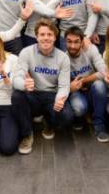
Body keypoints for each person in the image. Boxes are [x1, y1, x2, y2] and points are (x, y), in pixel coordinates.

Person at [12, 19, 73, 154]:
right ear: (36, 36)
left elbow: (64, 86)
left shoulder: (63, 57)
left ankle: (49, 122)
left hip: (52, 95)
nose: (46, 38)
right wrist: (24, 84)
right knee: (17, 95)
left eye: (49, 34)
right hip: (33, 93)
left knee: (67, 116)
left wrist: (60, 98)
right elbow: (16, 79)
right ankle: (27, 134)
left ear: (55, 37)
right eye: (42, 34)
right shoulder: (26, 52)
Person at [64, 26, 109, 142]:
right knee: (79, 108)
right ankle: (80, 117)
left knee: (100, 85)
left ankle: (99, 125)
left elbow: (103, 71)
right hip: (77, 91)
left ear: (82, 42)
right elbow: (63, 84)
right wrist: (72, 86)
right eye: (69, 42)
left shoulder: (91, 50)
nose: (72, 46)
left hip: (92, 88)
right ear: (65, 42)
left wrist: (84, 80)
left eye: (76, 42)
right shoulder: (63, 58)